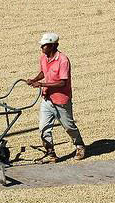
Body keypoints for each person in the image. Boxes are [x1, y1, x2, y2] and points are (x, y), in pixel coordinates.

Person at [26, 32, 85, 163]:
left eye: (44, 46)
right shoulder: (43, 57)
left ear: (53, 46)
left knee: (69, 126)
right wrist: (34, 79)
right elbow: (43, 72)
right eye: (42, 46)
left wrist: (41, 84)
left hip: (61, 100)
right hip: (47, 99)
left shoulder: (63, 60)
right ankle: (51, 154)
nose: (42, 48)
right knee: (43, 128)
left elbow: (62, 82)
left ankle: (79, 145)